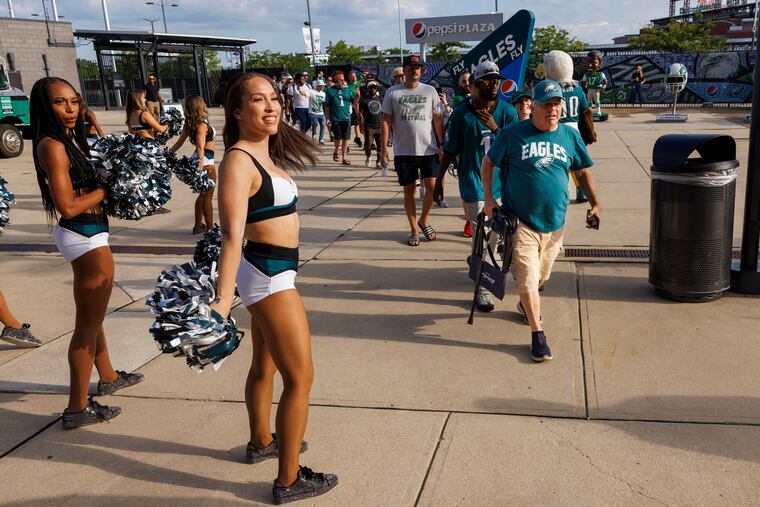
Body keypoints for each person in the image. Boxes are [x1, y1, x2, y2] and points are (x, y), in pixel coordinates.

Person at [212, 72, 338, 504]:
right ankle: (288, 480)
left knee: (264, 367)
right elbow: (231, 235)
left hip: (270, 272)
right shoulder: (238, 161)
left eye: (273, 99)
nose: (270, 107)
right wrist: (221, 300)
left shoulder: (263, 154)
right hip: (268, 277)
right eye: (258, 100)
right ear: (238, 111)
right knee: (301, 379)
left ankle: (261, 441)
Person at [30, 77, 144, 428]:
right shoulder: (52, 145)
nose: (69, 109)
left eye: (74, 101)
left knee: (94, 318)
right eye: (59, 103)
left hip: (89, 236)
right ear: (44, 107)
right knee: (86, 327)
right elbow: (67, 206)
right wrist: (106, 190)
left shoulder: (68, 139)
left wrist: (92, 125)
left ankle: (108, 375)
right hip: (85, 236)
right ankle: (77, 408)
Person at [481, 80, 601, 362]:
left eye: (557, 103)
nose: (553, 109)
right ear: (533, 106)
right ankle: (538, 334)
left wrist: (596, 202)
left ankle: (526, 306)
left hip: (555, 223)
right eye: (547, 104)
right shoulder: (512, 134)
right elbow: (488, 163)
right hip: (520, 221)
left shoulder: (569, 137)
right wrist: (489, 199)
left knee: (542, 275)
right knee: (528, 277)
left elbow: (582, 171)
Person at [435, 61, 519, 312]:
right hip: (473, 182)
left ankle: (480, 265)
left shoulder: (506, 111)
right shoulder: (461, 114)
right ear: (474, 86)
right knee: (483, 232)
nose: (493, 86)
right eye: (487, 81)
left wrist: (496, 128)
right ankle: (483, 285)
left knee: (494, 236)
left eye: (496, 81)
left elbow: (515, 148)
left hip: (501, 184)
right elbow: (450, 151)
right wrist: (438, 182)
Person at [380, 55, 444, 247]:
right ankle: (414, 229)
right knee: (409, 191)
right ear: (404, 70)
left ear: (421, 71)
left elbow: (438, 119)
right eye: (411, 67)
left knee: (432, 188)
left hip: (428, 148)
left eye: (418, 67)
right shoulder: (393, 92)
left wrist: (442, 144)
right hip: (403, 151)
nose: (414, 70)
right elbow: (386, 120)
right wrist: (384, 148)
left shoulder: (430, 91)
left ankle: (424, 220)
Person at [170, 95, 217, 234]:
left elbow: (179, 143)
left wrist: (168, 153)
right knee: (208, 196)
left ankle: (198, 226)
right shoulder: (202, 125)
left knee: (202, 195)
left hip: (198, 159)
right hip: (205, 161)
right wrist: (200, 167)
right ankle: (210, 229)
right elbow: (201, 147)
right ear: (200, 106)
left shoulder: (189, 124)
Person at [324, 71, 356, 166]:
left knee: (346, 139)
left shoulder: (348, 90)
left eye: (343, 79)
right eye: (340, 80)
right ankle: (336, 150)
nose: (343, 81)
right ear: (336, 80)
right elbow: (327, 106)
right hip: (336, 118)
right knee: (338, 138)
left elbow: (353, 102)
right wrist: (328, 118)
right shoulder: (329, 91)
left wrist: (357, 97)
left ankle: (344, 158)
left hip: (347, 118)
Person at [359, 81, 383, 169]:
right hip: (368, 126)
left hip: (379, 125)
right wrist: (361, 125)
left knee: (380, 146)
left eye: (374, 87)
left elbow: (384, 112)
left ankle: (378, 162)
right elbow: (360, 113)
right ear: (368, 89)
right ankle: (368, 156)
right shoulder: (364, 99)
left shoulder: (380, 98)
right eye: (371, 87)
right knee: (368, 145)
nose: (373, 89)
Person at [346, 71, 362, 147]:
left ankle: (357, 137)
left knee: (357, 123)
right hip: (350, 106)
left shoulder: (359, 84)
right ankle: (348, 142)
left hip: (358, 106)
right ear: (349, 77)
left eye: (354, 76)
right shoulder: (348, 86)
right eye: (351, 76)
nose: (353, 77)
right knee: (349, 124)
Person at [308, 80, 327, 145]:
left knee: (323, 125)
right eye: (321, 85)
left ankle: (321, 139)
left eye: (323, 86)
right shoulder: (311, 92)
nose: (322, 87)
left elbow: (323, 103)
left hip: (321, 112)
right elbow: (305, 94)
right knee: (315, 123)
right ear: (317, 86)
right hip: (313, 112)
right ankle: (314, 134)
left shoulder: (323, 93)